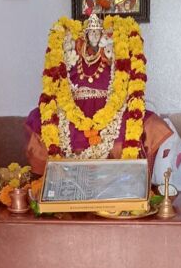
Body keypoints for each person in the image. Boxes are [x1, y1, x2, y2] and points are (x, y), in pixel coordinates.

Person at [25, 13, 171, 173]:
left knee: (151, 125)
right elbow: (58, 85)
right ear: (86, 35)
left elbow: (125, 84)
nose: (94, 35)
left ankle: (144, 182)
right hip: (73, 110)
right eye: (91, 32)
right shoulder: (73, 53)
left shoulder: (113, 51)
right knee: (43, 121)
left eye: (97, 32)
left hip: (112, 108)